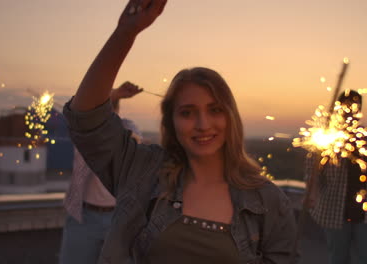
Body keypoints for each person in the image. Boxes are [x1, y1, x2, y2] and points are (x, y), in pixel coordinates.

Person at [63, 0, 297, 263]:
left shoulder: (269, 201)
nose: (203, 124)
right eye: (187, 112)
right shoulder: (142, 172)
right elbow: (86, 118)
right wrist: (124, 34)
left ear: (231, 116)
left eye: (215, 110)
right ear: (171, 121)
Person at [304, 90, 367, 264]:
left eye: (355, 107)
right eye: (346, 108)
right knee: (339, 259)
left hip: (366, 215)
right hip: (335, 211)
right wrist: (312, 195)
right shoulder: (327, 138)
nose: (350, 112)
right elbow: (313, 173)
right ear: (338, 109)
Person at [59, 83, 143, 264]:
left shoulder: (127, 128)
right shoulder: (84, 132)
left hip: (119, 220)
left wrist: (115, 96)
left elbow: (133, 141)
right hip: (83, 216)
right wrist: (114, 94)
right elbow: (81, 109)